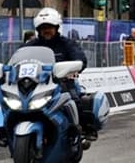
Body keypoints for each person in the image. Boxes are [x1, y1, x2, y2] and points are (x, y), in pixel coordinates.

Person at [23, 8, 90, 142]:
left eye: (49, 27)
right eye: (42, 27)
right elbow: (16, 60)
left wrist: (75, 67)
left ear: (56, 27)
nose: (46, 30)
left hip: (62, 82)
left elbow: (80, 58)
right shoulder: (31, 45)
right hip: (37, 85)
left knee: (73, 99)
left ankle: (81, 130)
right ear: (38, 29)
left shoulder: (66, 44)